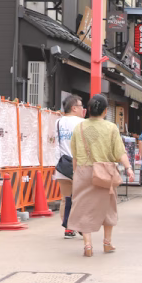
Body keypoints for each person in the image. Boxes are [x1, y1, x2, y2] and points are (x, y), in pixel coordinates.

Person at [67, 94, 135, 256]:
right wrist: (128, 168)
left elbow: (75, 155)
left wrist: (76, 173)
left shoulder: (80, 128)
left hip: (84, 171)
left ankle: (88, 245)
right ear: (105, 111)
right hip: (105, 173)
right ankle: (107, 243)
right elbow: (119, 152)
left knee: (84, 207)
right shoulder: (111, 128)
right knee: (108, 207)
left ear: (88, 110)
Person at [54, 94, 85, 239]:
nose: (83, 109)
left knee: (65, 198)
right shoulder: (82, 123)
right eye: (81, 106)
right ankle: (80, 226)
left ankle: (68, 229)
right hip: (79, 166)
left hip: (62, 166)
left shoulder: (58, 123)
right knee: (81, 198)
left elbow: (54, 144)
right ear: (74, 108)